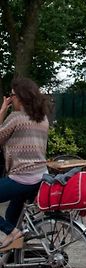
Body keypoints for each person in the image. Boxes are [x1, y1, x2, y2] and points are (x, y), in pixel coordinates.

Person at [0, 78, 49, 250]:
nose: (10, 99)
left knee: (12, 228)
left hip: (22, 177)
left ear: (20, 96)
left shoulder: (16, 118)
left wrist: (2, 111)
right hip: (40, 177)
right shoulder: (43, 119)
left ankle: (12, 233)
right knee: (11, 215)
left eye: (12, 95)